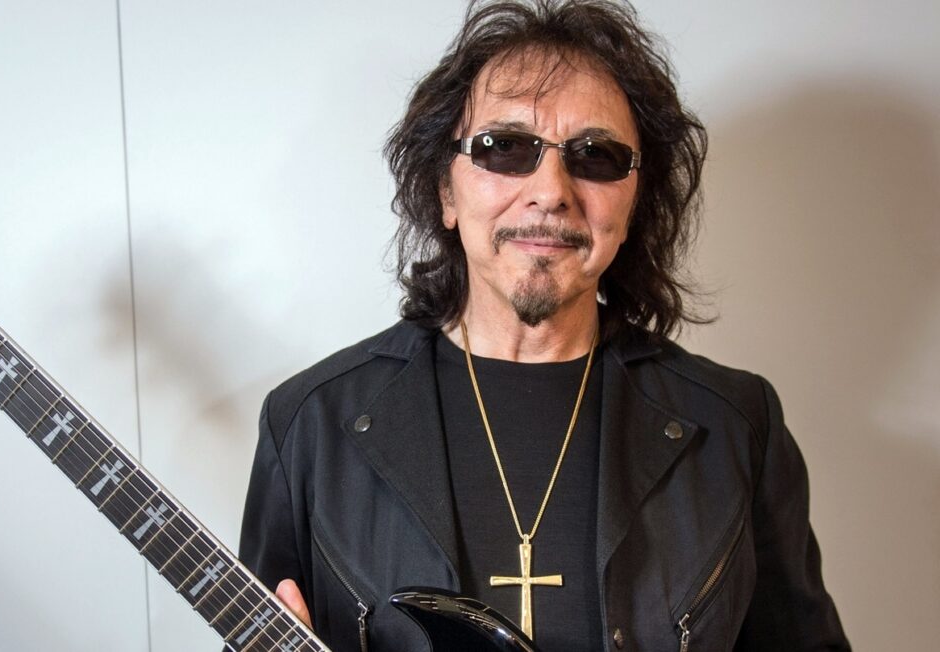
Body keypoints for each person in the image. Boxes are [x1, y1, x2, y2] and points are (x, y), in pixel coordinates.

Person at [238, 1, 850, 650]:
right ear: (446, 191)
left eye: (597, 155)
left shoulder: (736, 426)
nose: (551, 190)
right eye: (504, 148)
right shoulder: (309, 425)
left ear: (634, 204)